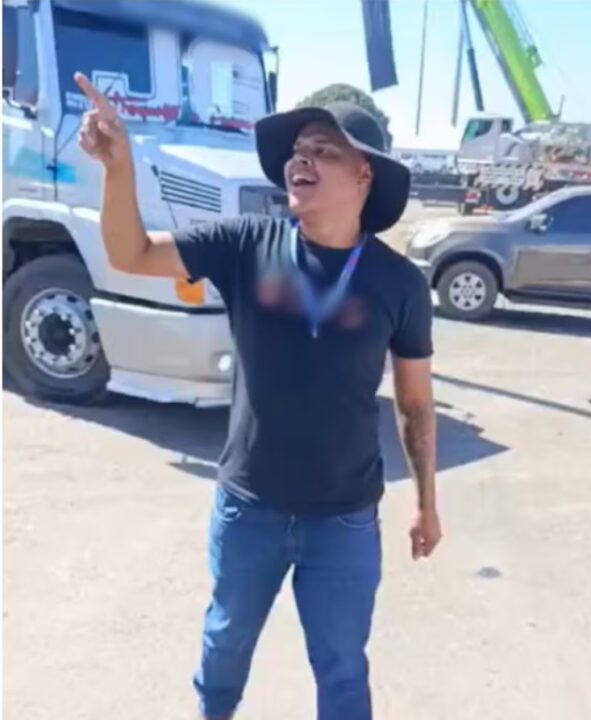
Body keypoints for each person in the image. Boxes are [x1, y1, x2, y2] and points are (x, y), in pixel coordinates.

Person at [74, 73, 440, 720]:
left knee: (344, 673)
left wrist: (426, 506)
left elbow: (415, 404)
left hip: (345, 520)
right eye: (298, 149)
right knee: (223, 653)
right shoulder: (246, 244)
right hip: (250, 509)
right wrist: (118, 168)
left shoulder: (399, 283)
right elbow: (129, 253)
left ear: (365, 178)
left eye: (325, 149)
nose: (302, 159)